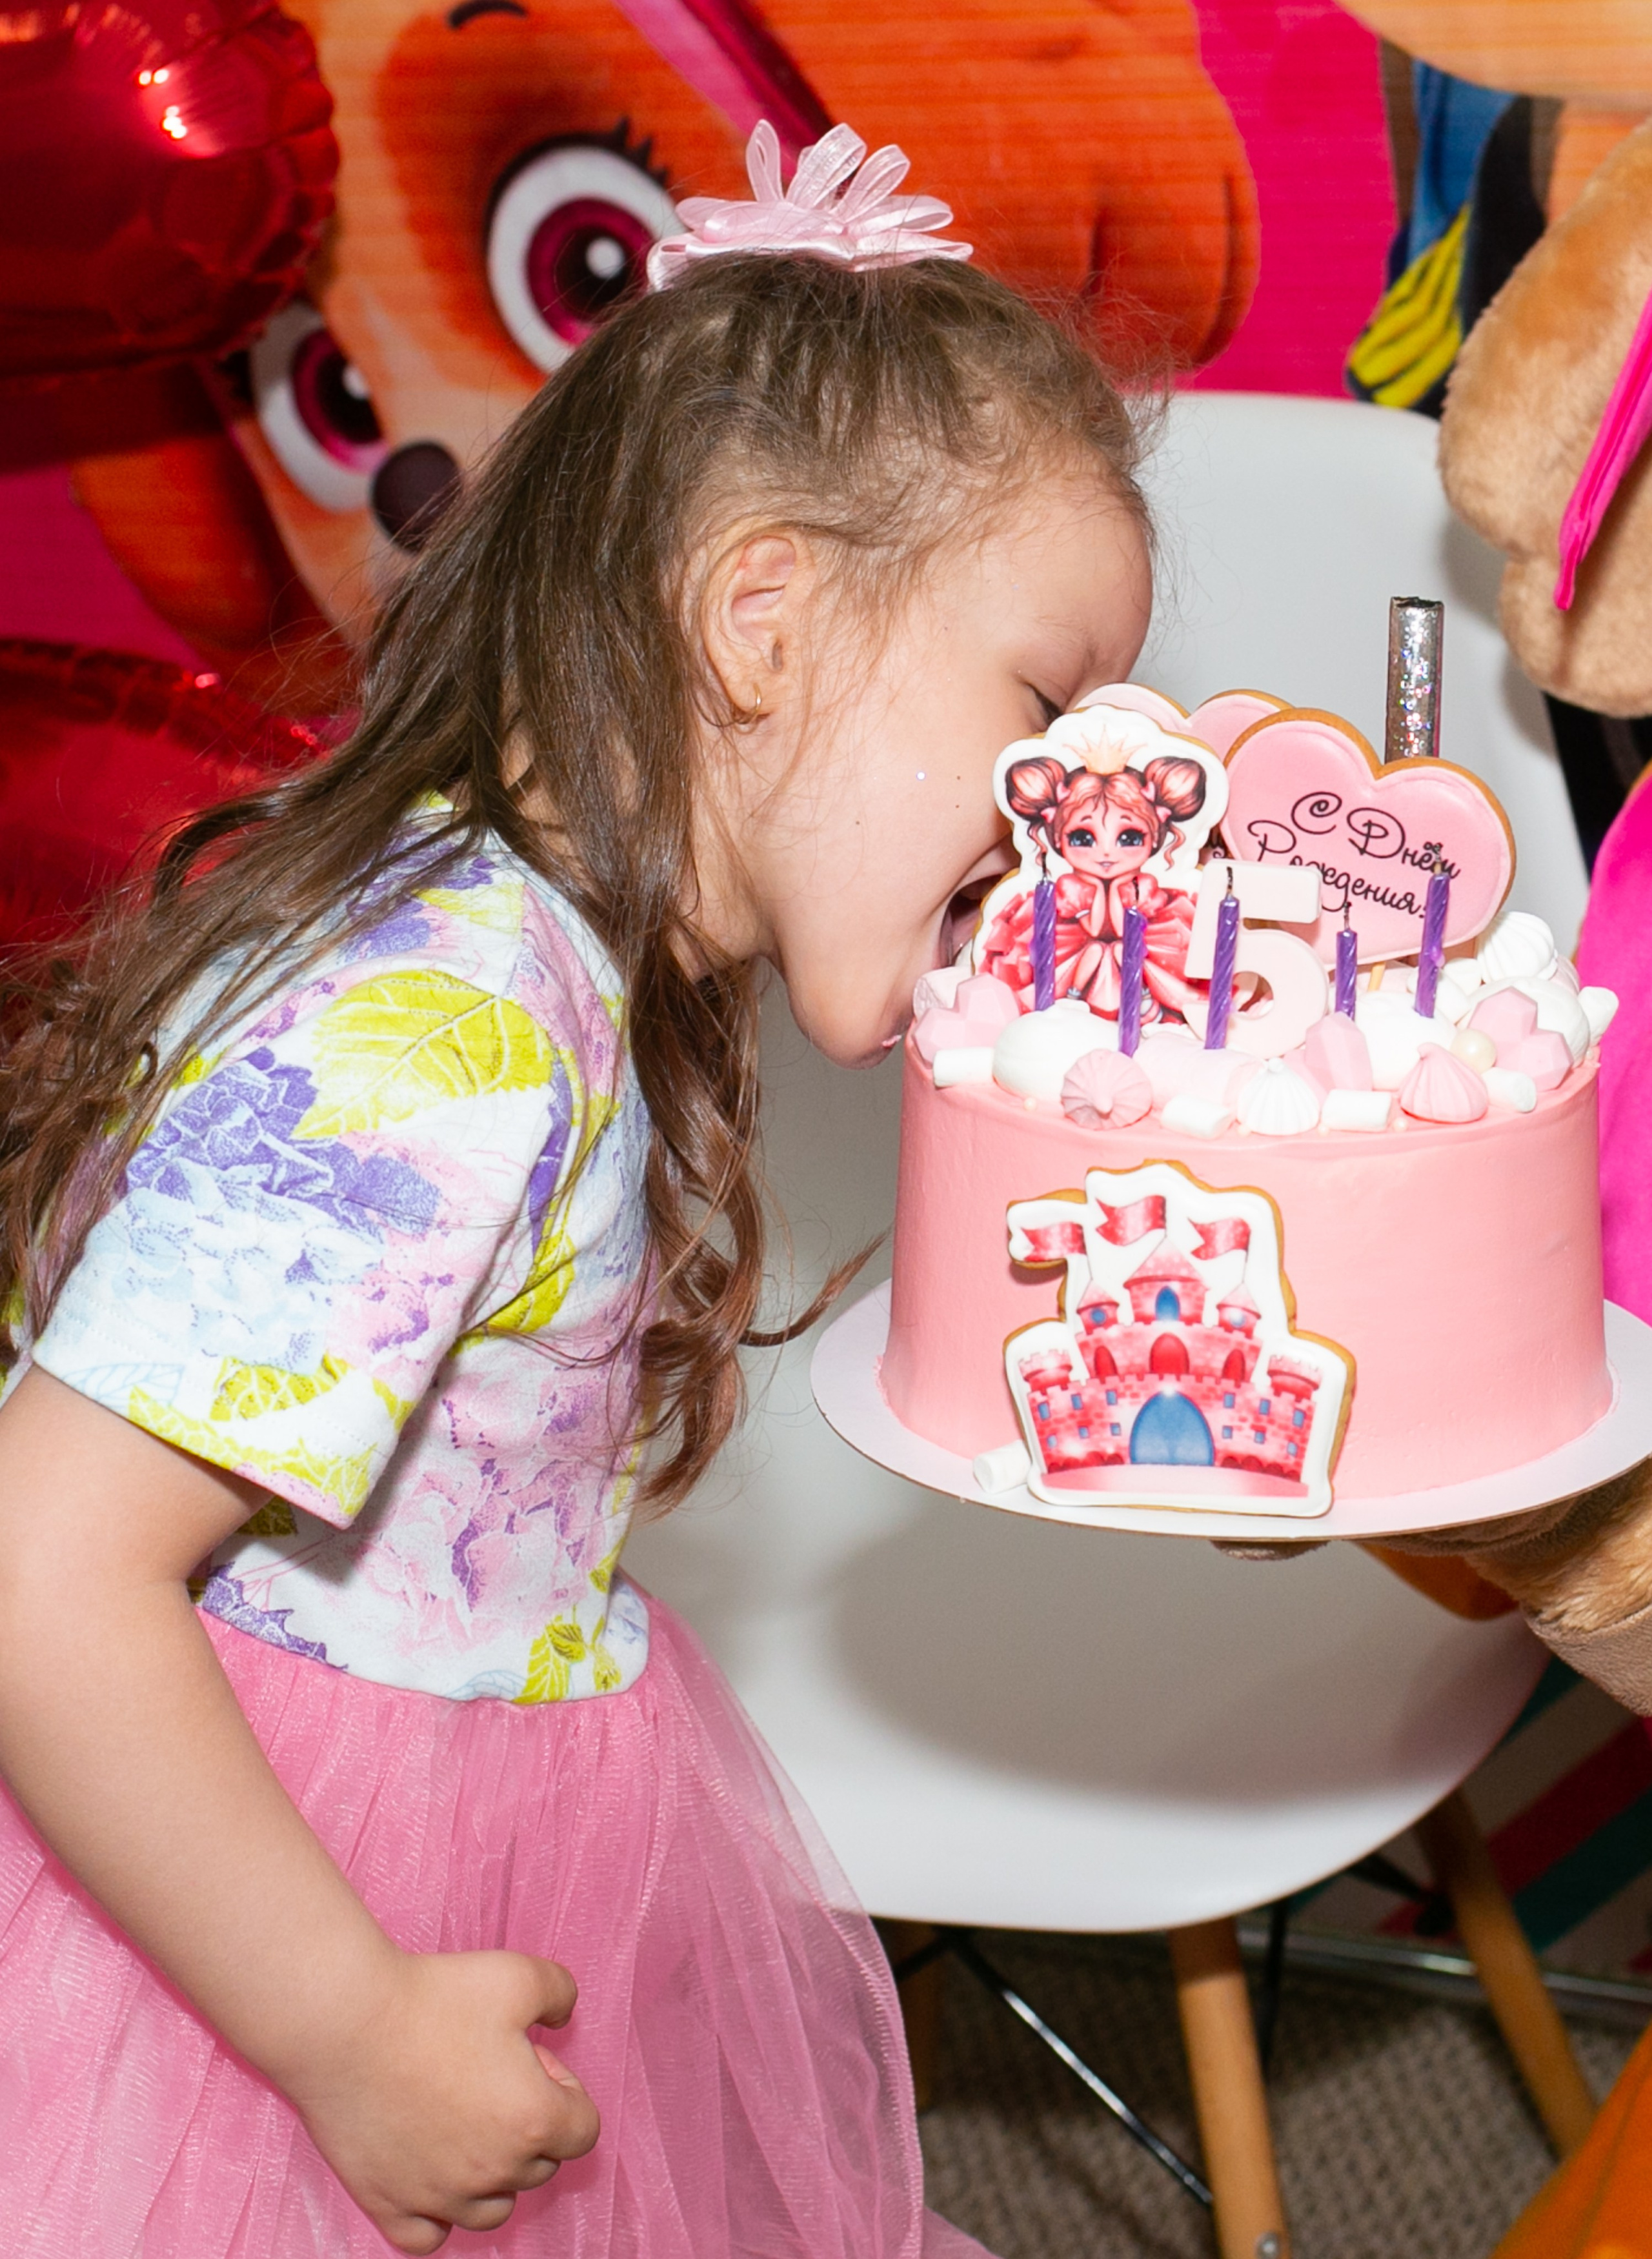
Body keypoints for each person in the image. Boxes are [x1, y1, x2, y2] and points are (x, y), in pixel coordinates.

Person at [0, 125, 1153, 2256]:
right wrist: (342, 2026)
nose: (1076, 802)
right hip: (276, 1917)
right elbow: (42, 1574)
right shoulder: (445, 1032)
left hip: (468, 1825)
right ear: (761, 614)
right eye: (1043, 705)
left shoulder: (525, 961)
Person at [976, 753, 1205, 1019]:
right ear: (1057, 839)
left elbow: (1125, 931)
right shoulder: (1069, 888)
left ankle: (1142, 999)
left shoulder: (1144, 887)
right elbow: (1095, 929)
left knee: (1121, 949)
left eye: (1129, 837)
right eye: (1083, 837)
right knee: (1097, 948)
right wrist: (1099, 892)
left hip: (1143, 950)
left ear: (1155, 837)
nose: (1106, 853)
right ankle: (1072, 997)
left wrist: (1120, 885)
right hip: (1072, 948)